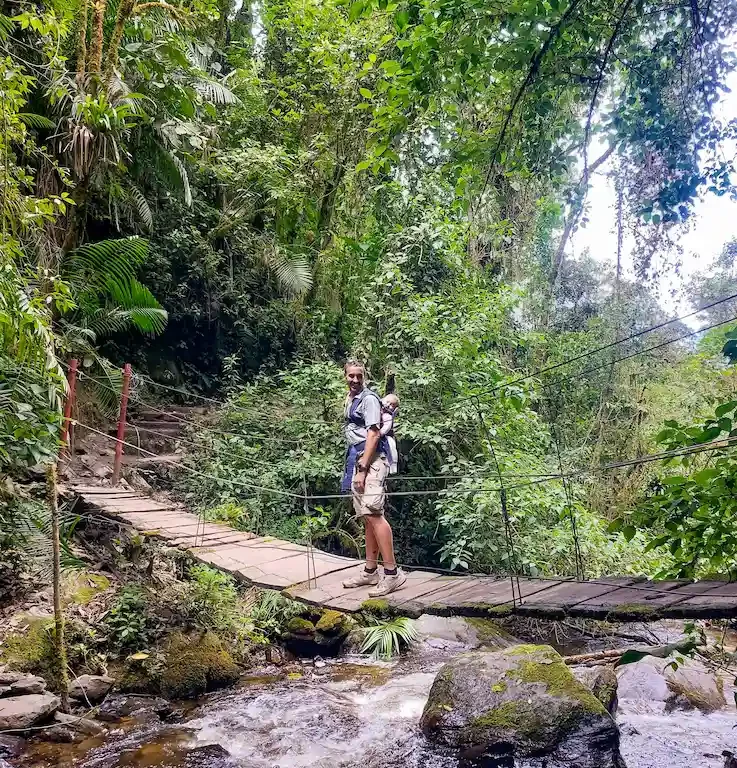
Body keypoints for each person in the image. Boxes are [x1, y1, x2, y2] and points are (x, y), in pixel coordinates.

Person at [341, 361, 406, 596]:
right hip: (358, 457)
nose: (355, 380)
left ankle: (392, 574)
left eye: (359, 376)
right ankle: (370, 571)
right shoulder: (351, 398)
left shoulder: (368, 399)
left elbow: (373, 432)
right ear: (345, 376)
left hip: (371, 460)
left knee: (374, 514)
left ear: (364, 377)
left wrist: (362, 468)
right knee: (367, 516)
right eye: (351, 376)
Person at [380, 393, 399, 476]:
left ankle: (392, 466)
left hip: (385, 436)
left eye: (392, 405)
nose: (389, 405)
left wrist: (379, 433)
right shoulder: (378, 409)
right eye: (388, 402)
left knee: (391, 447)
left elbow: (386, 428)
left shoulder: (388, 416)